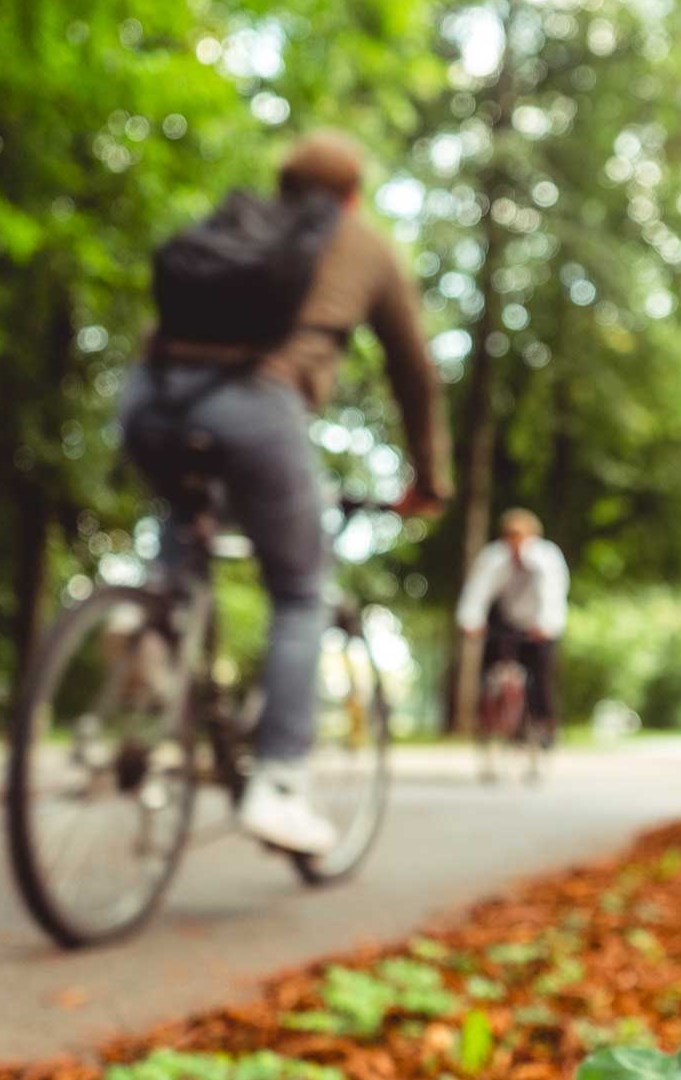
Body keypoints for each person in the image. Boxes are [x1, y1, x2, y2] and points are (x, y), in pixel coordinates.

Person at [120, 130, 450, 854]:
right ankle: (279, 785)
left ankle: (152, 628)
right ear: (353, 195)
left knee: (185, 524)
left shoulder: (238, 221)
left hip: (151, 397)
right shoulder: (363, 244)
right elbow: (413, 370)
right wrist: (429, 479)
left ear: (285, 183)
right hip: (255, 408)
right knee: (302, 591)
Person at [456, 509, 569, 748]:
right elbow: (477, 591)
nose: (515, 542)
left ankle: (543, 722)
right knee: (489, 661)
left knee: (540, 671)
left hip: (538, 622)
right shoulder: (494, 557)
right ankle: (485, 716)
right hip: (507, 619)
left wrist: (546, 625)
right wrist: (471, 621)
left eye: (520, 535)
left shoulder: (546, 557)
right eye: (510, 535)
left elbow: (552, 594)